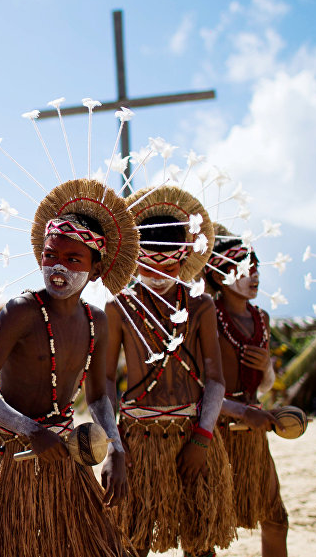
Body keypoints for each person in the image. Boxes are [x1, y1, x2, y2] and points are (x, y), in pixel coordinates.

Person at [0, 178, 136, 557]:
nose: (58, 268)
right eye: (51, 256)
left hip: (66, 457)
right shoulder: (22, 311)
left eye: (73, 259)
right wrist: (31, 430)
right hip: (11, 454)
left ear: (95, 270)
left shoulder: (97, 320)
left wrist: (116, 448)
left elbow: (98, 396)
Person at [106, 185, 236, 557]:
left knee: (201, 542)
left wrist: (202, 438)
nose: (159, 275)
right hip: (138, 441)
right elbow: (102, 386)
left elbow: (215, 379)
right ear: (134, 260)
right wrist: (116, 447)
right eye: (148, 265)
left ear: (184, 260)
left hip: (193, 436)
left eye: (170, 266)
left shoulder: (200, 306)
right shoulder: (119, 309)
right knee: (132, 541)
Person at [206, 229, 287, 556]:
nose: (252, 275)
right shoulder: (206, 316)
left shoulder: (261, 318)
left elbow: (264, 385)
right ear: (218, 274)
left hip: (253, 435)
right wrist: (239, 411)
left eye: (255, 267)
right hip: (213, 433)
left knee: (276, 519)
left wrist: (266, 367)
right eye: (242, 268)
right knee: (206, 530)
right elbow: (196, 389)